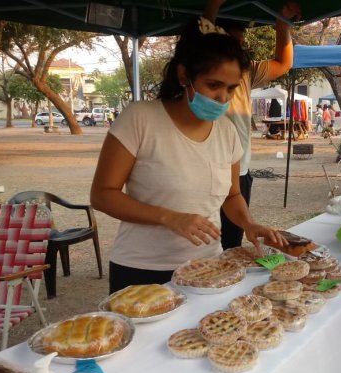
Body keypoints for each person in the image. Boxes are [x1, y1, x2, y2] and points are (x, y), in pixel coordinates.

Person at [90, 18, 287, 294]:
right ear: (184, 77)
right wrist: (170, 218)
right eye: (213, 85)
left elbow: (231, 196)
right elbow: (103, 194)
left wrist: (248, 223)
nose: (222, 98)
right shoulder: (140, 118)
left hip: (209, 268)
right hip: (142, 270)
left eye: (231, 88)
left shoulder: (227, 131)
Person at [204, 0, 301, 250]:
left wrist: (282, 26)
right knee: (205, 242)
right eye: (232, 41)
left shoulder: (247, 70)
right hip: (205, 168)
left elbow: (283, 64)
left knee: (232, 243)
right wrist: (212, 7)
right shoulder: (202, 63)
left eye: (242, 42)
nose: (240, 47)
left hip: (240, 169)